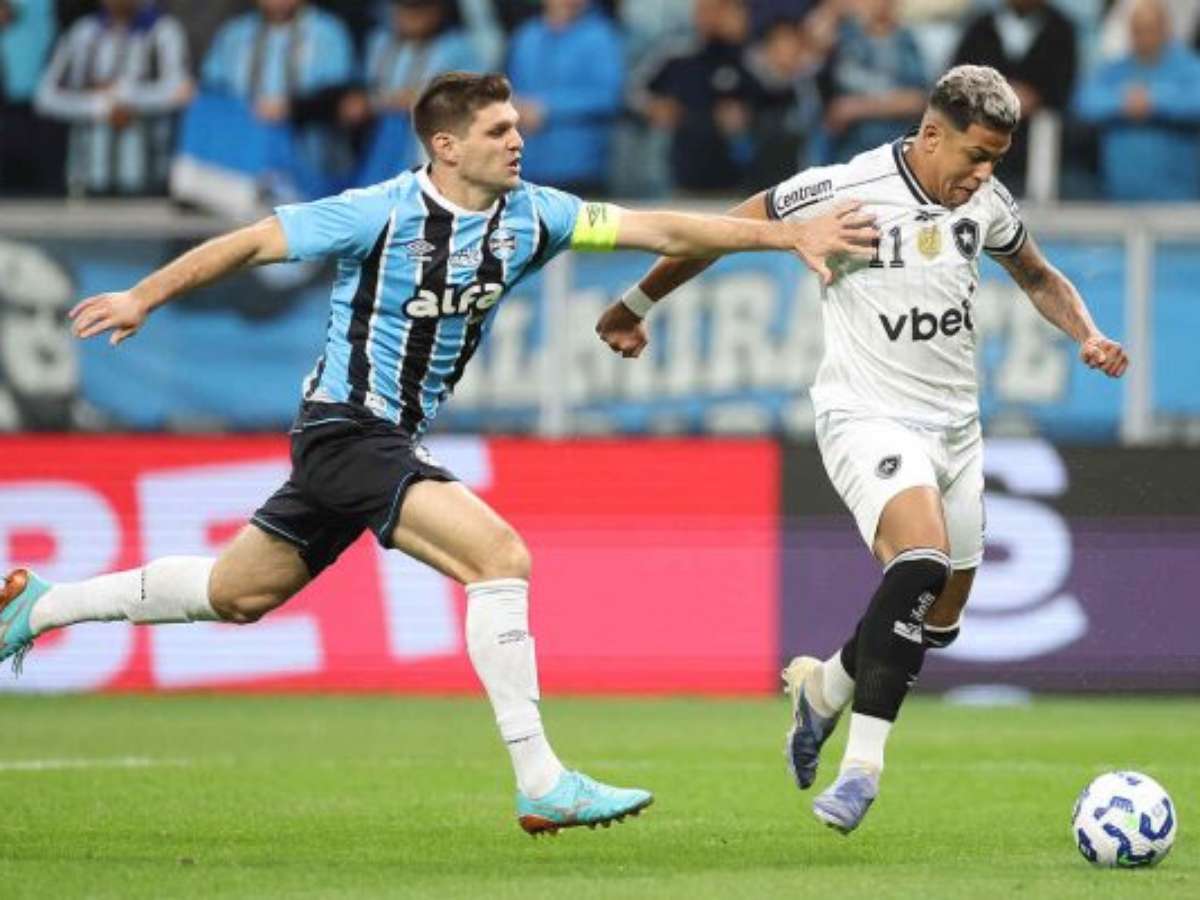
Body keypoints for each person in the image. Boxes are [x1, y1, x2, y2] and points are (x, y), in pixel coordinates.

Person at [0, 71, 876, 835]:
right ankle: (543, 781)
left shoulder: (538, 215)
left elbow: (665, 230)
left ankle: (41, 605)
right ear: (447, 146)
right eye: (498, 130)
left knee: (238, 594)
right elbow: (251, 242)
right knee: (499, 557)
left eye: (517, 126)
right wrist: (145, 296)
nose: (517, 140)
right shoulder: (377, 212)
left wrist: (786, 235)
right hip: (346, 426)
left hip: (378, 439)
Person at [596, 64, 1128, 834]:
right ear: (932, 134)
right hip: (867, 415)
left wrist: (1089, 333)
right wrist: (634, 303)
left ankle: (825, 689)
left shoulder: (985, 203)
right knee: (919, 563)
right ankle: (861, 773)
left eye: (997, 161)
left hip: (956, 430)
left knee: (939, 617)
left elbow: (1039, 276)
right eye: (977, 156)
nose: (985, 174)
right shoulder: (844, 189)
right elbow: (725, 232)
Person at [33, 0, 192, 196]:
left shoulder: (163, 31)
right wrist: (98, 106)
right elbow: (45, 97)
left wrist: (126, 96)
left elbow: (181, 91)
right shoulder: (83, 33)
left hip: (149, 179)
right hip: (87, 176)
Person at [1075, 0, 1200, 202]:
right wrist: (1122, 102)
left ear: (1166, 29)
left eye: (1150, 29)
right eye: (1138, 30)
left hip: (1177, 197)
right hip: (1119, 196)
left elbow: (1195, 101)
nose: (1144, 36)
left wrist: (1155, 101)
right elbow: (1085, 102)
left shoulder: (1188, 67)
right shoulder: (1114, 70)